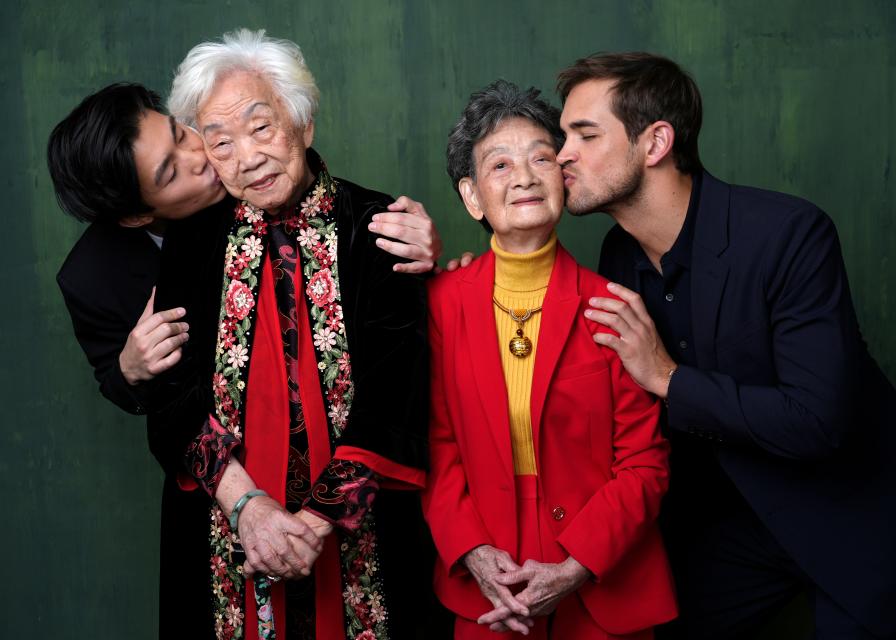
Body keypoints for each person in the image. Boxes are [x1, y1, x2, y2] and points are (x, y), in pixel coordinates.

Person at [552, 52, 896, 639]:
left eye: (584, 135)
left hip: (857, 517)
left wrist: (668, 379)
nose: (563, 154)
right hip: (736, 522)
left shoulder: (790, 234)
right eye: (563, 136)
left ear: (656, 142)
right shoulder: (619, 254)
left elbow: (817, 421)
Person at [48, 82, 443, 639]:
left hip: (360, 518)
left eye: (187, 134)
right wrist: (130, 368)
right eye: (170, 171)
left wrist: (431, 260)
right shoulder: (106, 274)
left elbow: (396, 376)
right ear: (140, 216)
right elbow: (156, 396)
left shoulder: (343, 211)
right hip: (223, 513)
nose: (207, 156)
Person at [156, 28, 441, 639]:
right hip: (224, 534)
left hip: (361, 540)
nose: (247, 156)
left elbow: (397, 390)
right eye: (220, 141)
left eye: (261, 127)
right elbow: (169, 398)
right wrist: (249, 511)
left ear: (304, 123)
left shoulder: (379, 224)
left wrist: (313, 524)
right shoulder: (189, 242)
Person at [422, 80, 677, 640]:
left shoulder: (614, 308)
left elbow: (645, 464)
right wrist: (473, 551)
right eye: (499, 165)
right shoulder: (439, 304)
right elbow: (437, 449)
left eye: (542, 157)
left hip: (603, 580)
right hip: (490, 585)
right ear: (471, 197)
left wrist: (575, 565)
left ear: (563, 177)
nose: (524, 177)